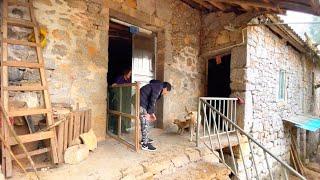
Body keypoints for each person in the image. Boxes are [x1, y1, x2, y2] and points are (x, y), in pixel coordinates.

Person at [140, 81, 172, 151]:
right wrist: (148, 114)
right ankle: (145, 145)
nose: (166, 94)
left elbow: (151, 101)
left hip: (143, 102)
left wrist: (152, 114)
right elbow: (152, 101)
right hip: (141, 102)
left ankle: (144, 139)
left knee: (145, 121)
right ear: (165, 88)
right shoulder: (158, 87)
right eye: (167, 92)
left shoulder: (158, 87)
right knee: (145, 121)